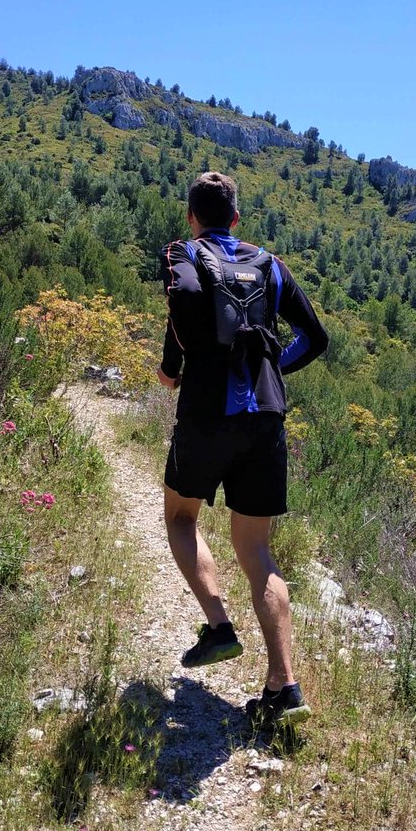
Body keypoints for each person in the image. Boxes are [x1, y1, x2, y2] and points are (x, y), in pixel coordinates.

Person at [158, 171, 328, 730]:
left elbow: (183, 307)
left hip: (207, 414)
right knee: (257, 552)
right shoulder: (268, 264)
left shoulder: (186, 255)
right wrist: (273, 366)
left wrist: (175, 370)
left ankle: (218, 627)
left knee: (182, 518)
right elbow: (316, 338)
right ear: (236, 218)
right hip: (266, 417)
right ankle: (285, 687)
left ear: (192, 217)